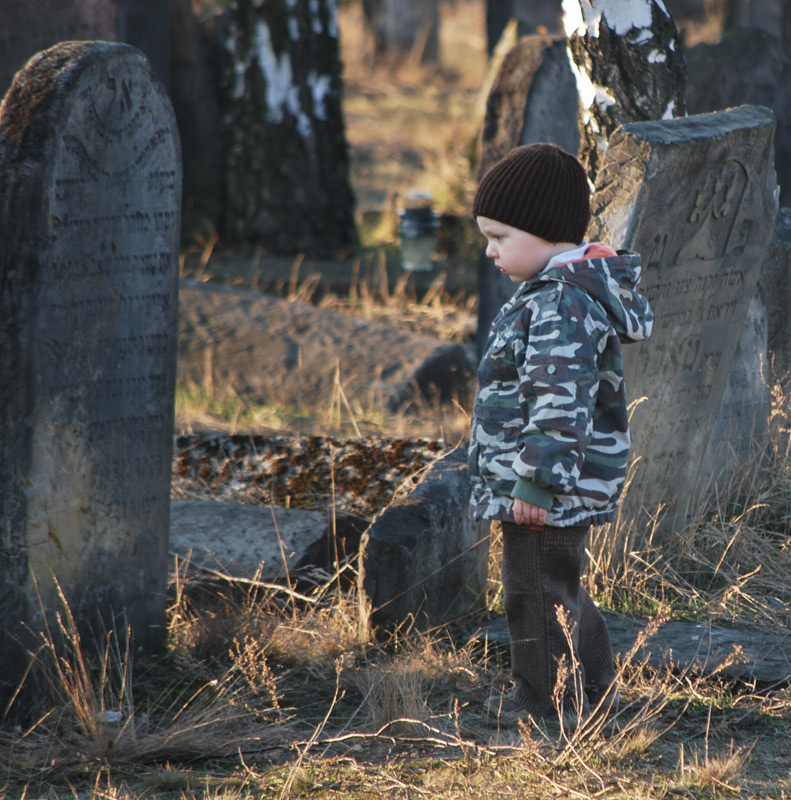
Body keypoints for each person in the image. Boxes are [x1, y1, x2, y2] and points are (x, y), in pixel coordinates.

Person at [468, 142, 653, 725]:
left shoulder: (560, 304)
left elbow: (558, 403)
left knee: (537, 593)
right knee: (552, 588)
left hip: (547, 492)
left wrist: (538, 484)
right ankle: (584, 697)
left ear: (544, 230)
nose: (490, 250)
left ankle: (548, 710)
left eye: (500, 236)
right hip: (544, 487)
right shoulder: (554, 295)